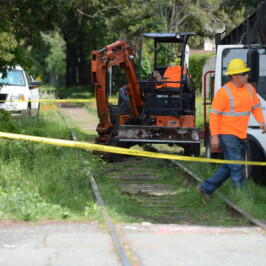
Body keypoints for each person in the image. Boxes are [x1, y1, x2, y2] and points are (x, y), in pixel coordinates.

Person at [197, 58, 266, 204]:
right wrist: (214, 136)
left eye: (246, 73)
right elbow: (214, 116)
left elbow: (256, 107)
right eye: (243, 73)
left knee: (230, 166)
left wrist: (261, 121)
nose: (247, 76)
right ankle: (242, 198)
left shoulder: (249, 89)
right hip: (227, 134)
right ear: (234, 76)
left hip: (241, 134)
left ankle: (206, 188)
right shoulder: (224, 92)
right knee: (236, 167)